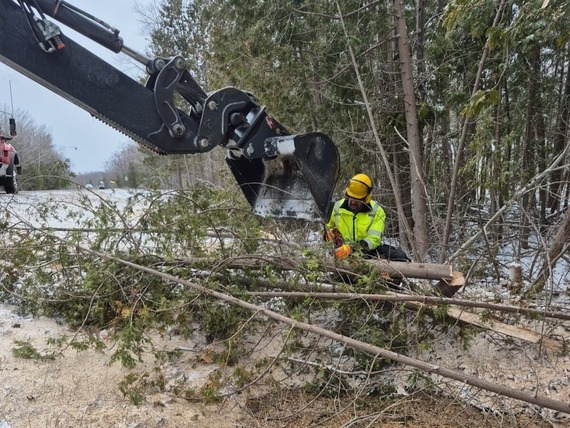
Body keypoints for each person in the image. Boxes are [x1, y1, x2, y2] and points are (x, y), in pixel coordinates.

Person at [325, 173, 410, 261]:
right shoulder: (337, 207)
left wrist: (353, 248)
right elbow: (327, 227)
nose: (353, 202)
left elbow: (374, 239)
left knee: (401, 257)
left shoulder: (376, 211)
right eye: (351, 198)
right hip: (342, 249)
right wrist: (329, 235)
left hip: (368, 250)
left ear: (366, 198)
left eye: (357, 200)